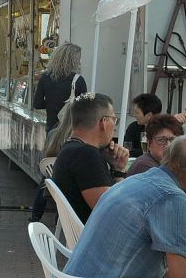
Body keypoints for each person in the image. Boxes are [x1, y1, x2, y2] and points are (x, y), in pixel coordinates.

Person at [65, 135, 186, 278]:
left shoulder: (135, 180)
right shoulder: (173, 198)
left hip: (75, 273)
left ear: (166, 155)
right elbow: (179, 275)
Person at [51, 93, 130, 223]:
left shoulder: (70, 149)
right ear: (103, 122)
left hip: (81, 234)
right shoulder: (85, 155)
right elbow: (112, 213)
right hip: (96, 238)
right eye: (114, 120)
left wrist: (117, 168)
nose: (114, 127)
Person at [32, 42, 87, 131]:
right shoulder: (78, 80)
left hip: (51, 129)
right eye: (78, 59)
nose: (80, 62)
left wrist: (52, 103)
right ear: (73, 61)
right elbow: (84, 109)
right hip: (71, 131)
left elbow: (37, 104)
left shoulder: (45, 77)